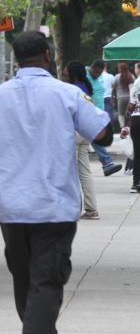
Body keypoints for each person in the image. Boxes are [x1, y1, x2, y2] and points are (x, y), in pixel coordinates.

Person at [0, 31, 113, 334]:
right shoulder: (67, 94)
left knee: (25, 281)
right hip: (52, 206)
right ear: (47, 56)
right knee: (45, 284)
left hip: (11, 206)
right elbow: (103, 133)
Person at [63, 62, 101, 220]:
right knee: (85, 172)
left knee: (70, 171)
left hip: (74, 132)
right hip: (85, 132)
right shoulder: (86, 88)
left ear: (73, 75)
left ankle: (72, 208)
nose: (63, 76)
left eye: (65, 74)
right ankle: (92, 209)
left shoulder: (71, 90)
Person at [88, 60, 122, 176]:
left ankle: (107, 163)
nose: (97, 75)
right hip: (89, 113)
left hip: (98, 112)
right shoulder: (85, 77)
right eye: (96, 72)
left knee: (94, 138)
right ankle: (107, 162)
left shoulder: (99, 78)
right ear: (92, 67)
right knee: (95, 138)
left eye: (100, 73)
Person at [113, 62, 135, 130]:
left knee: (121, 114)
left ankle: (123, 128)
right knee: (130, 113)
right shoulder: (132, 76)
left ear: (120, 69)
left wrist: (113, 97)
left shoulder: (117, 76)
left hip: (121, 98)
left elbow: (113, 87)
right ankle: (130, 127)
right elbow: (134, 88)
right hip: (130, 98)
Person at [129, 72, 140, 193]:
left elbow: (131, 106)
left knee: (138, 152)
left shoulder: (137, 83)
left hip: (137, 119)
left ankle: (136, 182)